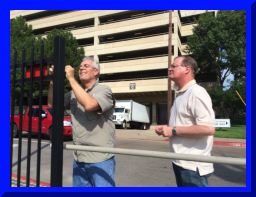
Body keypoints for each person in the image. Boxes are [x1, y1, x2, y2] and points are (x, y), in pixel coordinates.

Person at [48, 56, 116, 187]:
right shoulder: (73, 93)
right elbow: (53, 104)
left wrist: (71, 79)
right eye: (80, 66)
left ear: (96, 71)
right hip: (79, 157)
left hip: (100, 159)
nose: (81, 68)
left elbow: (89, 105)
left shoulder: (104, 90)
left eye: (86, 66)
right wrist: (53, 79)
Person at [155, 55, 215, 187]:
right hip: (180, 162)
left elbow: (208, 128)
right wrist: (167, 128)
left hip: (193, 166)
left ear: (187, 69)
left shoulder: (197, 92)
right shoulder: (181, 94)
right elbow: (185, 125)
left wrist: (174, 130)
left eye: (173, 66)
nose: (169, 69)